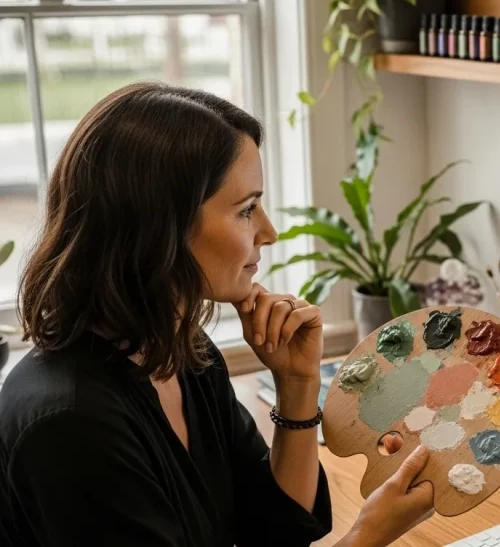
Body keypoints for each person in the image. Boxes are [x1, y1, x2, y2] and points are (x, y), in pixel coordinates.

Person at [0, 82, 434, 547]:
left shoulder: (185, 353)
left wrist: (297, 386)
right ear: (160, 227)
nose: (268, 232)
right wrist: (369, 536)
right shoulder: (70, 424)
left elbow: (276, 530)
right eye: (246, 209)